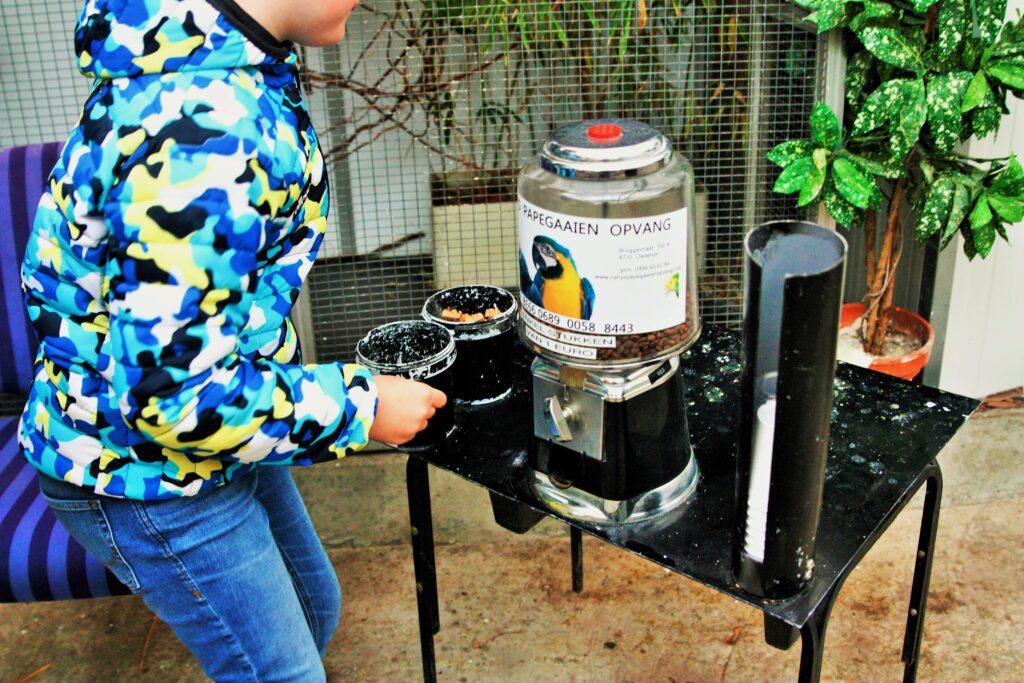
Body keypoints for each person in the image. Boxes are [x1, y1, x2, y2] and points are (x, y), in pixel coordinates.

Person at [18, 0, 446, 680]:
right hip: (140, 471)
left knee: (315, 608)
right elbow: (174, 393)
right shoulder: (200, 138)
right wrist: (360, 407)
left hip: (212, 436)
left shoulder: (224, 55)